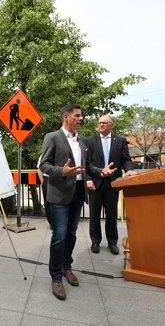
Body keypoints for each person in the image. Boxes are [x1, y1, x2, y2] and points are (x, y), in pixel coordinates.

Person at [39, 104, 116, 300]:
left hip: (78, 196)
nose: (81, 118)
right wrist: (62, 171)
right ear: (66, 117)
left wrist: (101, 172)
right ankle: (56, 277)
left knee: (71, 234)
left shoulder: (82, 141)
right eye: (77, 115)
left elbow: (86, 165)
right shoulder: (52, 137)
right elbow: (44, 165)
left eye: (81, 116)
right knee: (60, 235)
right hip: (59, 195)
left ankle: (66, 267)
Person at [86, 115, 137, 255]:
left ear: (111, 125)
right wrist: (88, 180)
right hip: (95, 184)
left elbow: (126, 159)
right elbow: (86, 163)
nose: (101, 125)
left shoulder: (120, 141)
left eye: (104, 123)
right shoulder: (90, 141)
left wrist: (129, 170)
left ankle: (112, 243)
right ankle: (95, 242)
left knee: (111, 215)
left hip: (113, 183)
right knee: (94, 215)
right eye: (99, 123)